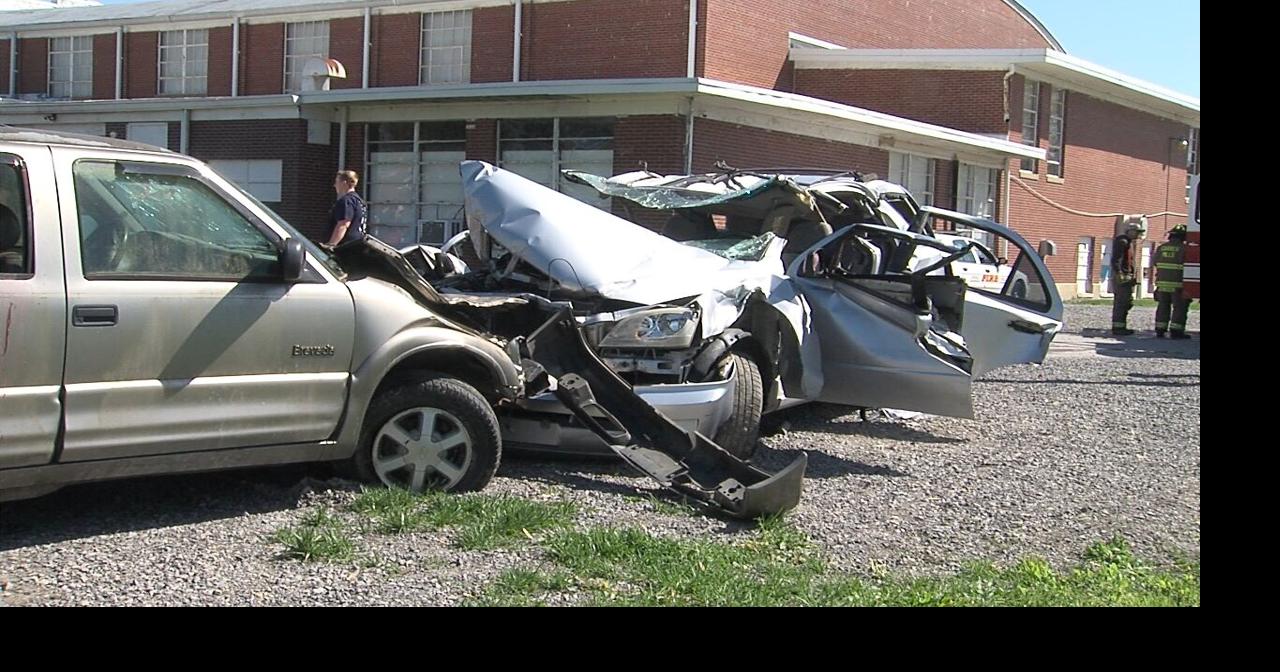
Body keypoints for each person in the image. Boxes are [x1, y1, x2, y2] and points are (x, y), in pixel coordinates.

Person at [1152, 224, 1192, 339]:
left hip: (1162, 283)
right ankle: (1176, 331)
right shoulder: (1185, 249)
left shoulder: (1161, 247)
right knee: (1179, 307)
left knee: (1163, 306)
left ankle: (1160, 329)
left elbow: (1155, 263)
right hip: (1178, 284)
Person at [1110, 219, 1145, 336]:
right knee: (1121, 302)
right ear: (1130, 231)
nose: (1138, 235)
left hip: (1127, 277)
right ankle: (1118, 328)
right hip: (1123, 276)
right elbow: (1117, 259)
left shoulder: (1129, 242)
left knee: (1126, 302)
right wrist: (1119, 273)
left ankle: (1121, 326)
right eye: (1137, 232)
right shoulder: (1123, 242)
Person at [325, 170, 367, 249]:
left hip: (346, 247)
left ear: (344, 183)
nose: (334, 185)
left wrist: (331, 244)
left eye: (337, 182)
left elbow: (343, 224)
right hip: (358, 243)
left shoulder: (346, 200)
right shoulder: (360, 201)